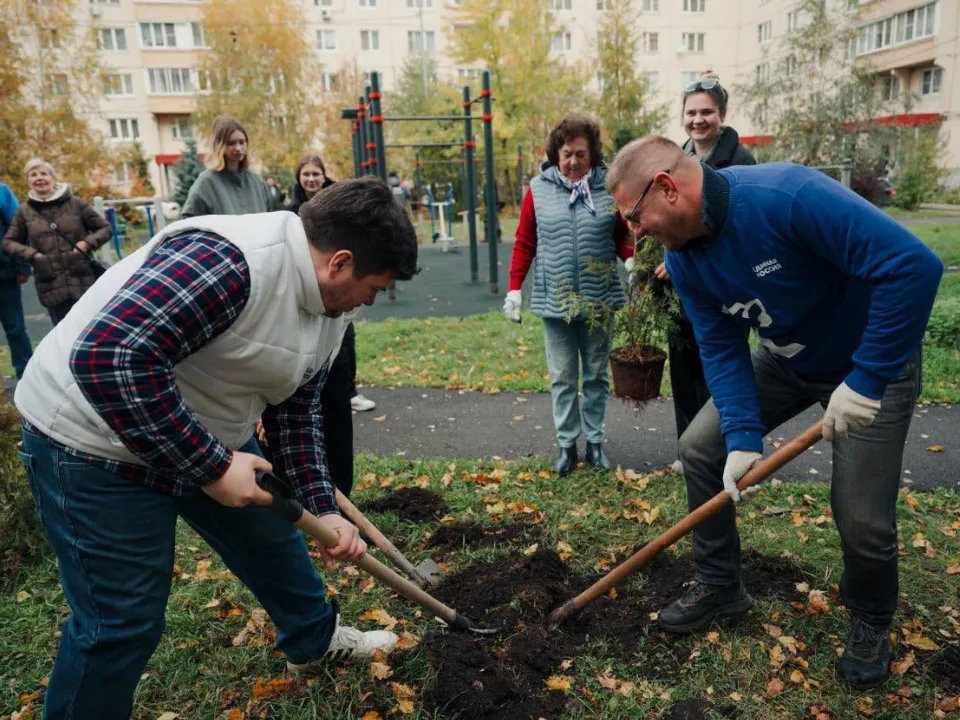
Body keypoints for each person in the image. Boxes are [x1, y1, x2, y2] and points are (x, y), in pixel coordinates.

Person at [14, 176, 419, 720]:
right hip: (92, 441)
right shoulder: (230, 262)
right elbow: (110, 357)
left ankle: (313, 641)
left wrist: (322, 505)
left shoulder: (332, 310)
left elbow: (296, 414)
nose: (373, 300)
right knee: (121, 621)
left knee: (273, 543)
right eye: (376, 285)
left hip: (203, 428)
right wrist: (213, 466)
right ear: (339, 263)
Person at [606, 136, 943, 690]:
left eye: (634, 216)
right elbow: (720, 347)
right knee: (700, 446)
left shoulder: (787, 197)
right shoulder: (684, 261)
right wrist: (741, 435)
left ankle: (871, 620)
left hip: (872, 365)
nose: (635, 233)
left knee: (861, 518)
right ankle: (720, 586)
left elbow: (912, 267)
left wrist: (864, 381)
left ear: (666, 187)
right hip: (786, 361)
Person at [503, 114, 634, 475]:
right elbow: (525, 241)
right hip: (554, 300)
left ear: (591, 154)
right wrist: (514, 288)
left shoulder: (609, 187)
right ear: (555, 155)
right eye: (566, 154)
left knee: (595, 374)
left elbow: (622, 235)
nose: (573, 161)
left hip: (599, 299)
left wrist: (632, 262)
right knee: (562, 375)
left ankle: (594, 442)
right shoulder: (538, 190)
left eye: (580, 153)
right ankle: (566, 445)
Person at [668, 72, 757, 473]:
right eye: (691, 112)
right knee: (684, 372)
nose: (698, 119)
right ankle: (690, 451)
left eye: (707, 111)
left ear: (722, 113)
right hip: (680, 286)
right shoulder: (677, 158)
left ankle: (726, 449)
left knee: (719, 366)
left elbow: (738, 226)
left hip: (723, 285)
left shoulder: (740, 160)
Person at [286, 154, 376, 414]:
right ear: (299, 178)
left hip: (337, 279)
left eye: (316, 173)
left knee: (343, 337)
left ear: (324, 176)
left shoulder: (339, 207)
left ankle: (348, 392)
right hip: (308, 281)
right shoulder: (292, 211)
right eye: (306, 174)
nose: (311, 178)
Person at [2, 159, 112, 326]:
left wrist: (86, 243)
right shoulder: (24, 212)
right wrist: (34, 255)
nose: (39, 178)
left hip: (83, 279)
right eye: (33, 175)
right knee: (63, 335)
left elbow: (105, 229)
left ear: (53, 178)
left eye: (44, 173)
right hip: (51, 283)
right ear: (28, 181)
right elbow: (9, 242)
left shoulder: (76, 204)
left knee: (93, 330)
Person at [180, 116, 271, 218]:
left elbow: (269, 219)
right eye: (231, 143)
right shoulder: (206, 182)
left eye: (241, 142)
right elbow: (187, 222)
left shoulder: (257, 182)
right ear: (220, 146)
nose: (238, 148)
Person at [0, 183, 33, 381]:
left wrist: (22, 266)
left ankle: (27, 375)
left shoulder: (2, 192)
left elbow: (18, 230)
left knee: (15, 328)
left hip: (4, 275)